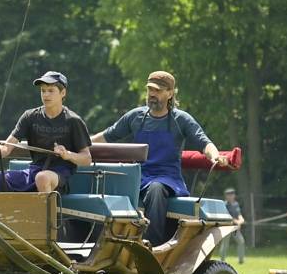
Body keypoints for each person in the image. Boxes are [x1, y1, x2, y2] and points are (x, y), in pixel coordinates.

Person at [91, 70, 228, 246]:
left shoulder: (181, 119)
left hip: (167, 179)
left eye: (158, 90)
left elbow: (204, 142)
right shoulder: (135, 116)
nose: (152, 94)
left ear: (170, 93)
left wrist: (216, 156)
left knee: (155, 189)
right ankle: (107, 244)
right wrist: (79, 144)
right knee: (106, 183)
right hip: (137, 177)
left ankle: (151, 245)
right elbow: (106, 136)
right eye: (150, 90)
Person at [0, 71, 92, 193]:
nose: (46, 95)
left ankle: (43, 212)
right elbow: (6, 149)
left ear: (63, 93)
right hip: (34, 172)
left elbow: (86, 159)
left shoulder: (74, 121)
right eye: (43, 91)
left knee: (42, 178)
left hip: (59, 175)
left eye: (50, 90)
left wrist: (67, 154)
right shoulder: (29, 117)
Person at [220, 187, 246, 264]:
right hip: (227, 227)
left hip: (235, 228)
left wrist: (241, 220)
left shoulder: (236, 204)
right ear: (226, 196)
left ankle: (241, 260)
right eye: (229, 195)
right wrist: (237, 221)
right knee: (225, 244)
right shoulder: (224, 205)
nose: (231, 196)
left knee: (241, 241)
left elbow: (239, 214)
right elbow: (227, 216)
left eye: (232, 194)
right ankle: (222, 260)